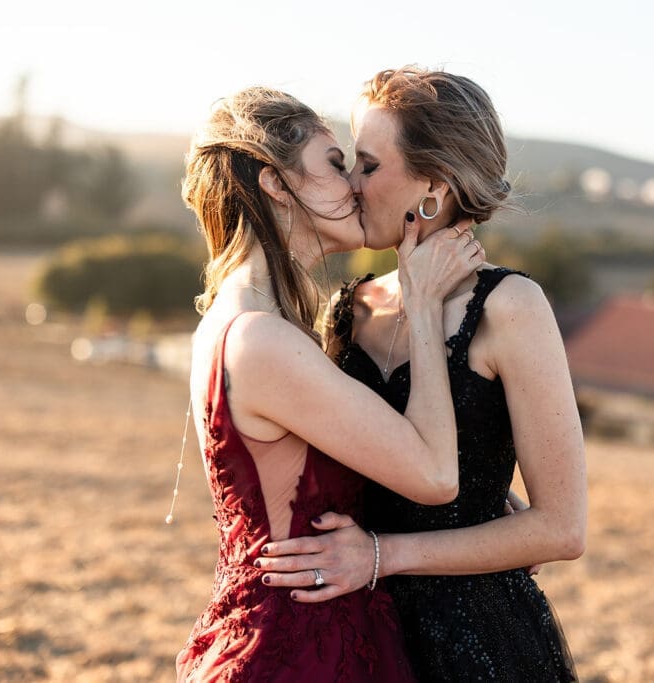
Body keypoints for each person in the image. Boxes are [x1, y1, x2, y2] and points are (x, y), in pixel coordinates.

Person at [256, 67, 587, 682]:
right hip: (354, 630)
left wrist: (382, 554)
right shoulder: (347, 309)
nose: (351, 185)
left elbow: (563, 529)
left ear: (434, 184)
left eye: (367, 165)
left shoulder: (512, 308)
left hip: (478, 643)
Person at [173, 86, 484, 682]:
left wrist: (486, 497)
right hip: (298, 651)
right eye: (337, 164)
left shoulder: (249, 321)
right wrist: (422, 305)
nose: (355, 186)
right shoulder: (261, 338)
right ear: (275, 183)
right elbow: (434, 476)